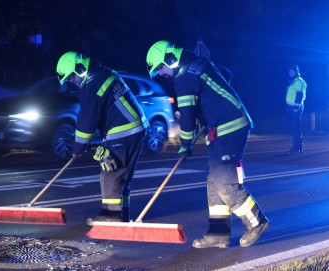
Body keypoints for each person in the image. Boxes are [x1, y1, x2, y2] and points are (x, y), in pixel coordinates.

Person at [145, 40, 269, 248]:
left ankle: (256, 222)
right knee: (214, 181)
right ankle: (218, 233)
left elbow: (186, 116)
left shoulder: (184, 77)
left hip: (229, 129)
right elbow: (225, 74)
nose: (162, 74)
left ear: (169, 58)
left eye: (160, 68)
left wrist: (186, 144)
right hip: (222, 128)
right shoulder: (198, 63)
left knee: (224, 181)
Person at [56, 51, 148, 223]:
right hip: (133, 129)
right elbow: (102, 113)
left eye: (71, 78)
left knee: (110, 174)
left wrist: (76, 148)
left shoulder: (91, 84)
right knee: (122, 175)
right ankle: (122, 213)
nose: (72, 82)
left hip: (123, 132)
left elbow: (86, 122)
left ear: (80, 68)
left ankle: (111, 215)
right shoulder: (103, 73)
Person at [285, 64, 307, 155]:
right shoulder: (293, 81)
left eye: (292, 71)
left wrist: (296, 107)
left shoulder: (298, 81)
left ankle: (296, 148)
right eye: (289, 71)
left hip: (295, 108)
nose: (290, 72)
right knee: (295, 128)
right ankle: (298, 147)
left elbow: (300, 95)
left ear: (296, 72)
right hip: (291, 107)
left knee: (295, 128)